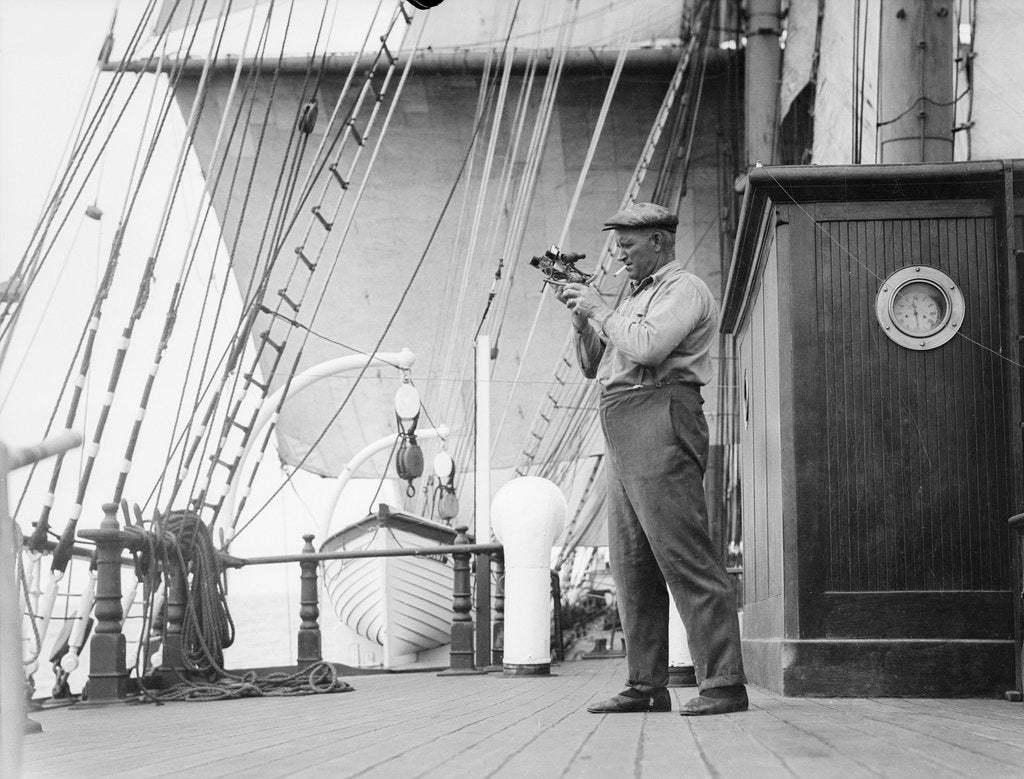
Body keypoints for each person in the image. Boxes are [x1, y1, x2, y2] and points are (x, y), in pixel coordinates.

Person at [555, 202, 747, 716]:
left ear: (659, 242)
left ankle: (724, 682)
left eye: (628, 244)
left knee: (684, 553)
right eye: (618, 243)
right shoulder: (633, 298)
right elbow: (594, 365)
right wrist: (583, 319)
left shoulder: (684, 290)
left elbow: (646, 347)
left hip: (662, 413)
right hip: (623, 420)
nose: (619, 253)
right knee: (632, 562)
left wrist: (599, 308)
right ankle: (645, 685)